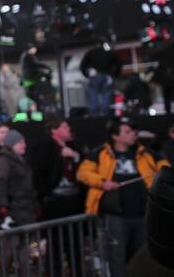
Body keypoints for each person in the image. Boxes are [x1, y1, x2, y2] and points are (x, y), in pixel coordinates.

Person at [77, 119, 170, 277]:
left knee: (143, 255)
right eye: (127, 132)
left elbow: (165, 167)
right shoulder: (100, 153)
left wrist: (160, 174)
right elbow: (83, 173)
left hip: (143, 213)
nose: (133, 134)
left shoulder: (146, 152)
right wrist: (102, 182)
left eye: (133, 131)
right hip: (116, 215)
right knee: (116, 256)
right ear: (115, 136)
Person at [29, 118, 84, 274]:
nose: (69, 129)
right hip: (54, 203)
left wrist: (75, 156)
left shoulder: (74, 147)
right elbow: (40, 174)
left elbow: (84, 169)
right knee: (55, 244)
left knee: (75, 243)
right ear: (54, 130)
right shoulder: (43, 148)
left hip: (74, 201)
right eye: (65, 126)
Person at [0, 129, 37, 276]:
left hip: (25, 209)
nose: (24, 145)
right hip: (13, 210)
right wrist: (3, 208)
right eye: (20, 142)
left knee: (24, 249)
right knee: (9, 250)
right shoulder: (4, 160)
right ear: (11, 144)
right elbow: (0, 183)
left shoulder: (20, 159)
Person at [80, 41, 122, 117]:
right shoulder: (110, 53)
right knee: (106, 96)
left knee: (93, 95)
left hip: (95, 75)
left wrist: (87, 74)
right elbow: (119, 64)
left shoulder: (91, 52)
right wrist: (114, 74)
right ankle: (105, 117)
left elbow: (83, 65)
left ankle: (94, 116)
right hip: (107, 76)